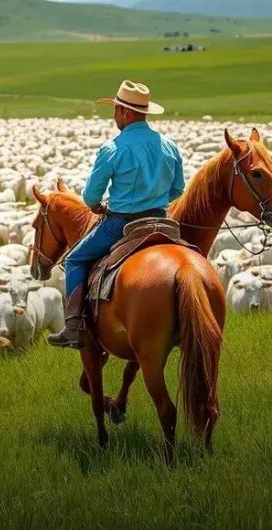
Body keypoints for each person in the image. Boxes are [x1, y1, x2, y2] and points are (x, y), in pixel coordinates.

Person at [47, 80, 186, 349]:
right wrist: (154, 200)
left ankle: (74, 325)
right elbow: (178, 188)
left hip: (121, 224)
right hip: (161, 220)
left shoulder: (113, 148)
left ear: (125, 112)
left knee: (75, 259)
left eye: (116, 110)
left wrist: (98, 205)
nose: (114, 117)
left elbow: (90, 197)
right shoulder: (170, 145)